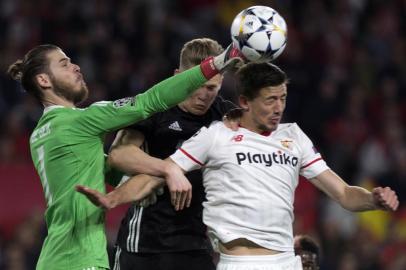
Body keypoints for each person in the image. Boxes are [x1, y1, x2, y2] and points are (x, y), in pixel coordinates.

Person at [77, 62, 399, 270]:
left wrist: (373, 200)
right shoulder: (214, 136)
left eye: (283, 98)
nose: (279, 108)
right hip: (237, 262)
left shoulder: (294, 137)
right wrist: (113, 199)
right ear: (245, 101)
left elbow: (342, 193)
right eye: (270, 100)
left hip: (286, 262)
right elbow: (155, 175)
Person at [7, 43, 242, 270]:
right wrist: (218, 62)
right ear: (44, 80)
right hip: (80, 258)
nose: (76, 67)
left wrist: (140, 184)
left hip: (53, 258)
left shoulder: (41, 133)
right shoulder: (80, 121)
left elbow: (98, 167)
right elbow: (149, 102)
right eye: (64, 64)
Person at [103, 38, 236, 270]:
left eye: (212, 88)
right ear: (178, 76)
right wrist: (169, 169)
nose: (204, 95)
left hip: (196, 243)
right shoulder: (156, 106)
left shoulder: (225, 115)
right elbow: (120, 154)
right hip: (144, 243)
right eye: (197, 84)